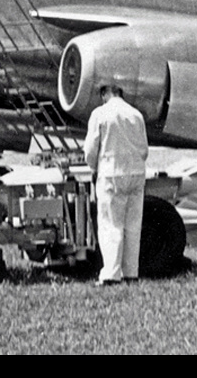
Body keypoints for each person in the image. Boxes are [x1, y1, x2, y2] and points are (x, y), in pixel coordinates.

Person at [82, 84, 149, 286]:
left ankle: (111, 274)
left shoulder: (100, 114)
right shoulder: (136, 114)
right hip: (136, 173)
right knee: (133, 226)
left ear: (105, 94)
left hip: (112, 172)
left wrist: (94, 168)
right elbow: (144, 149)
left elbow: (90, 150)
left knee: (111, 225)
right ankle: (131, 273)